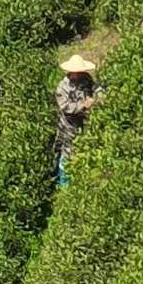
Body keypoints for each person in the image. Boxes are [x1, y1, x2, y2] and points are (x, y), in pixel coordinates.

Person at [53, 55, 100, 187]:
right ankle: (64, 184)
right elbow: (65, 107)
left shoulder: (86, 79)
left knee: (83, 150)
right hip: (69, 125)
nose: (79, 74)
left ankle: (80, 181)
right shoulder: (63, 87)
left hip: (84, 123)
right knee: (67, 152)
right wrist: (84, 105)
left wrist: (98, 97)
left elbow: (95, 88)